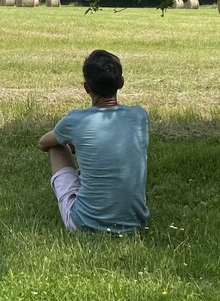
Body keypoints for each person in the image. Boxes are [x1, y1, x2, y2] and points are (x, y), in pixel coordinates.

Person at [37, 49, 150, 234]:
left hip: (85, 224)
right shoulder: (139, 116)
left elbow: (43, 143)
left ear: (87, 88)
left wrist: (71, 144)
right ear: (121, 83)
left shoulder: (75, 120)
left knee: (56, 146)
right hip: (135, 224)